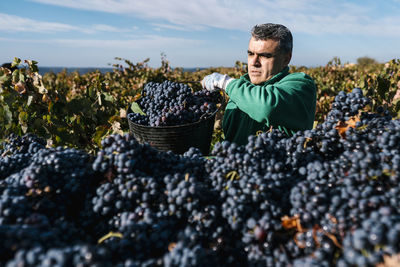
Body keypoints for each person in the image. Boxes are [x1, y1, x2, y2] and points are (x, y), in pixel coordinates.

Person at [201, 23, 317, 146]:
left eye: (264, 56)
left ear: (286, 59)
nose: (254, 62)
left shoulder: (301, 85)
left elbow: (267, 106)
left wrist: (225, 82)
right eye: (251, 54)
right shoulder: (238, 95)